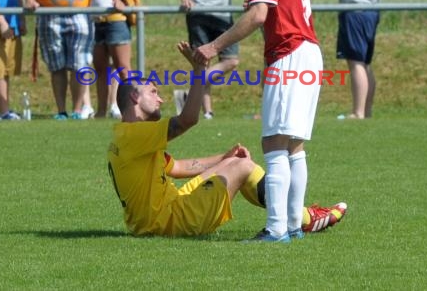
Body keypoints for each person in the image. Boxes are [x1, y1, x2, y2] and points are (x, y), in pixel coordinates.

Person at [193, 0, 346, 242]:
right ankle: (292, 225)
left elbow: (258, 14)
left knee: (274, 143)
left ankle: (277, 229)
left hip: (290, 53)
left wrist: (213, 47)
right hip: (308, 51)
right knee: (294, 146)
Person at [108, 41, 346, 239]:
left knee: (236, 163)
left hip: (167, 212)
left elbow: (178, 167)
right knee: (243, 167)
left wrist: (224, 158)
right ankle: (302, 219)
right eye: (153, 92)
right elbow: (187, 119)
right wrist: (199, 71)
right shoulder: (134, 134)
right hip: (170, 222)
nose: (160, 99)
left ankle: (300, 216)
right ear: (134, 96)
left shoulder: (128, 136)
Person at [90, 0, 148, 118]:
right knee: (100, 69)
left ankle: (131, 109)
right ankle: (101, 110)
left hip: (117, 21)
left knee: (123, 69)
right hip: (95, 21)